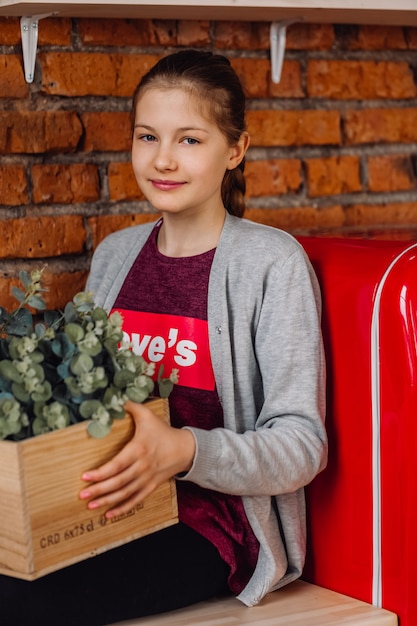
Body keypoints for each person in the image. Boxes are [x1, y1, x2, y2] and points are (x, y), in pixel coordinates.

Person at [1, 50, 327, 626]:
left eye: (191, 140)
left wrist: (184, 450)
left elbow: (302, 445)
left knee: (23, 602)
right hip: (107, 506)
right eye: (148, 136)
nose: (163, 160)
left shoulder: (272, 265)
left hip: (214, 527)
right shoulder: (115, 255)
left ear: (236, 150)